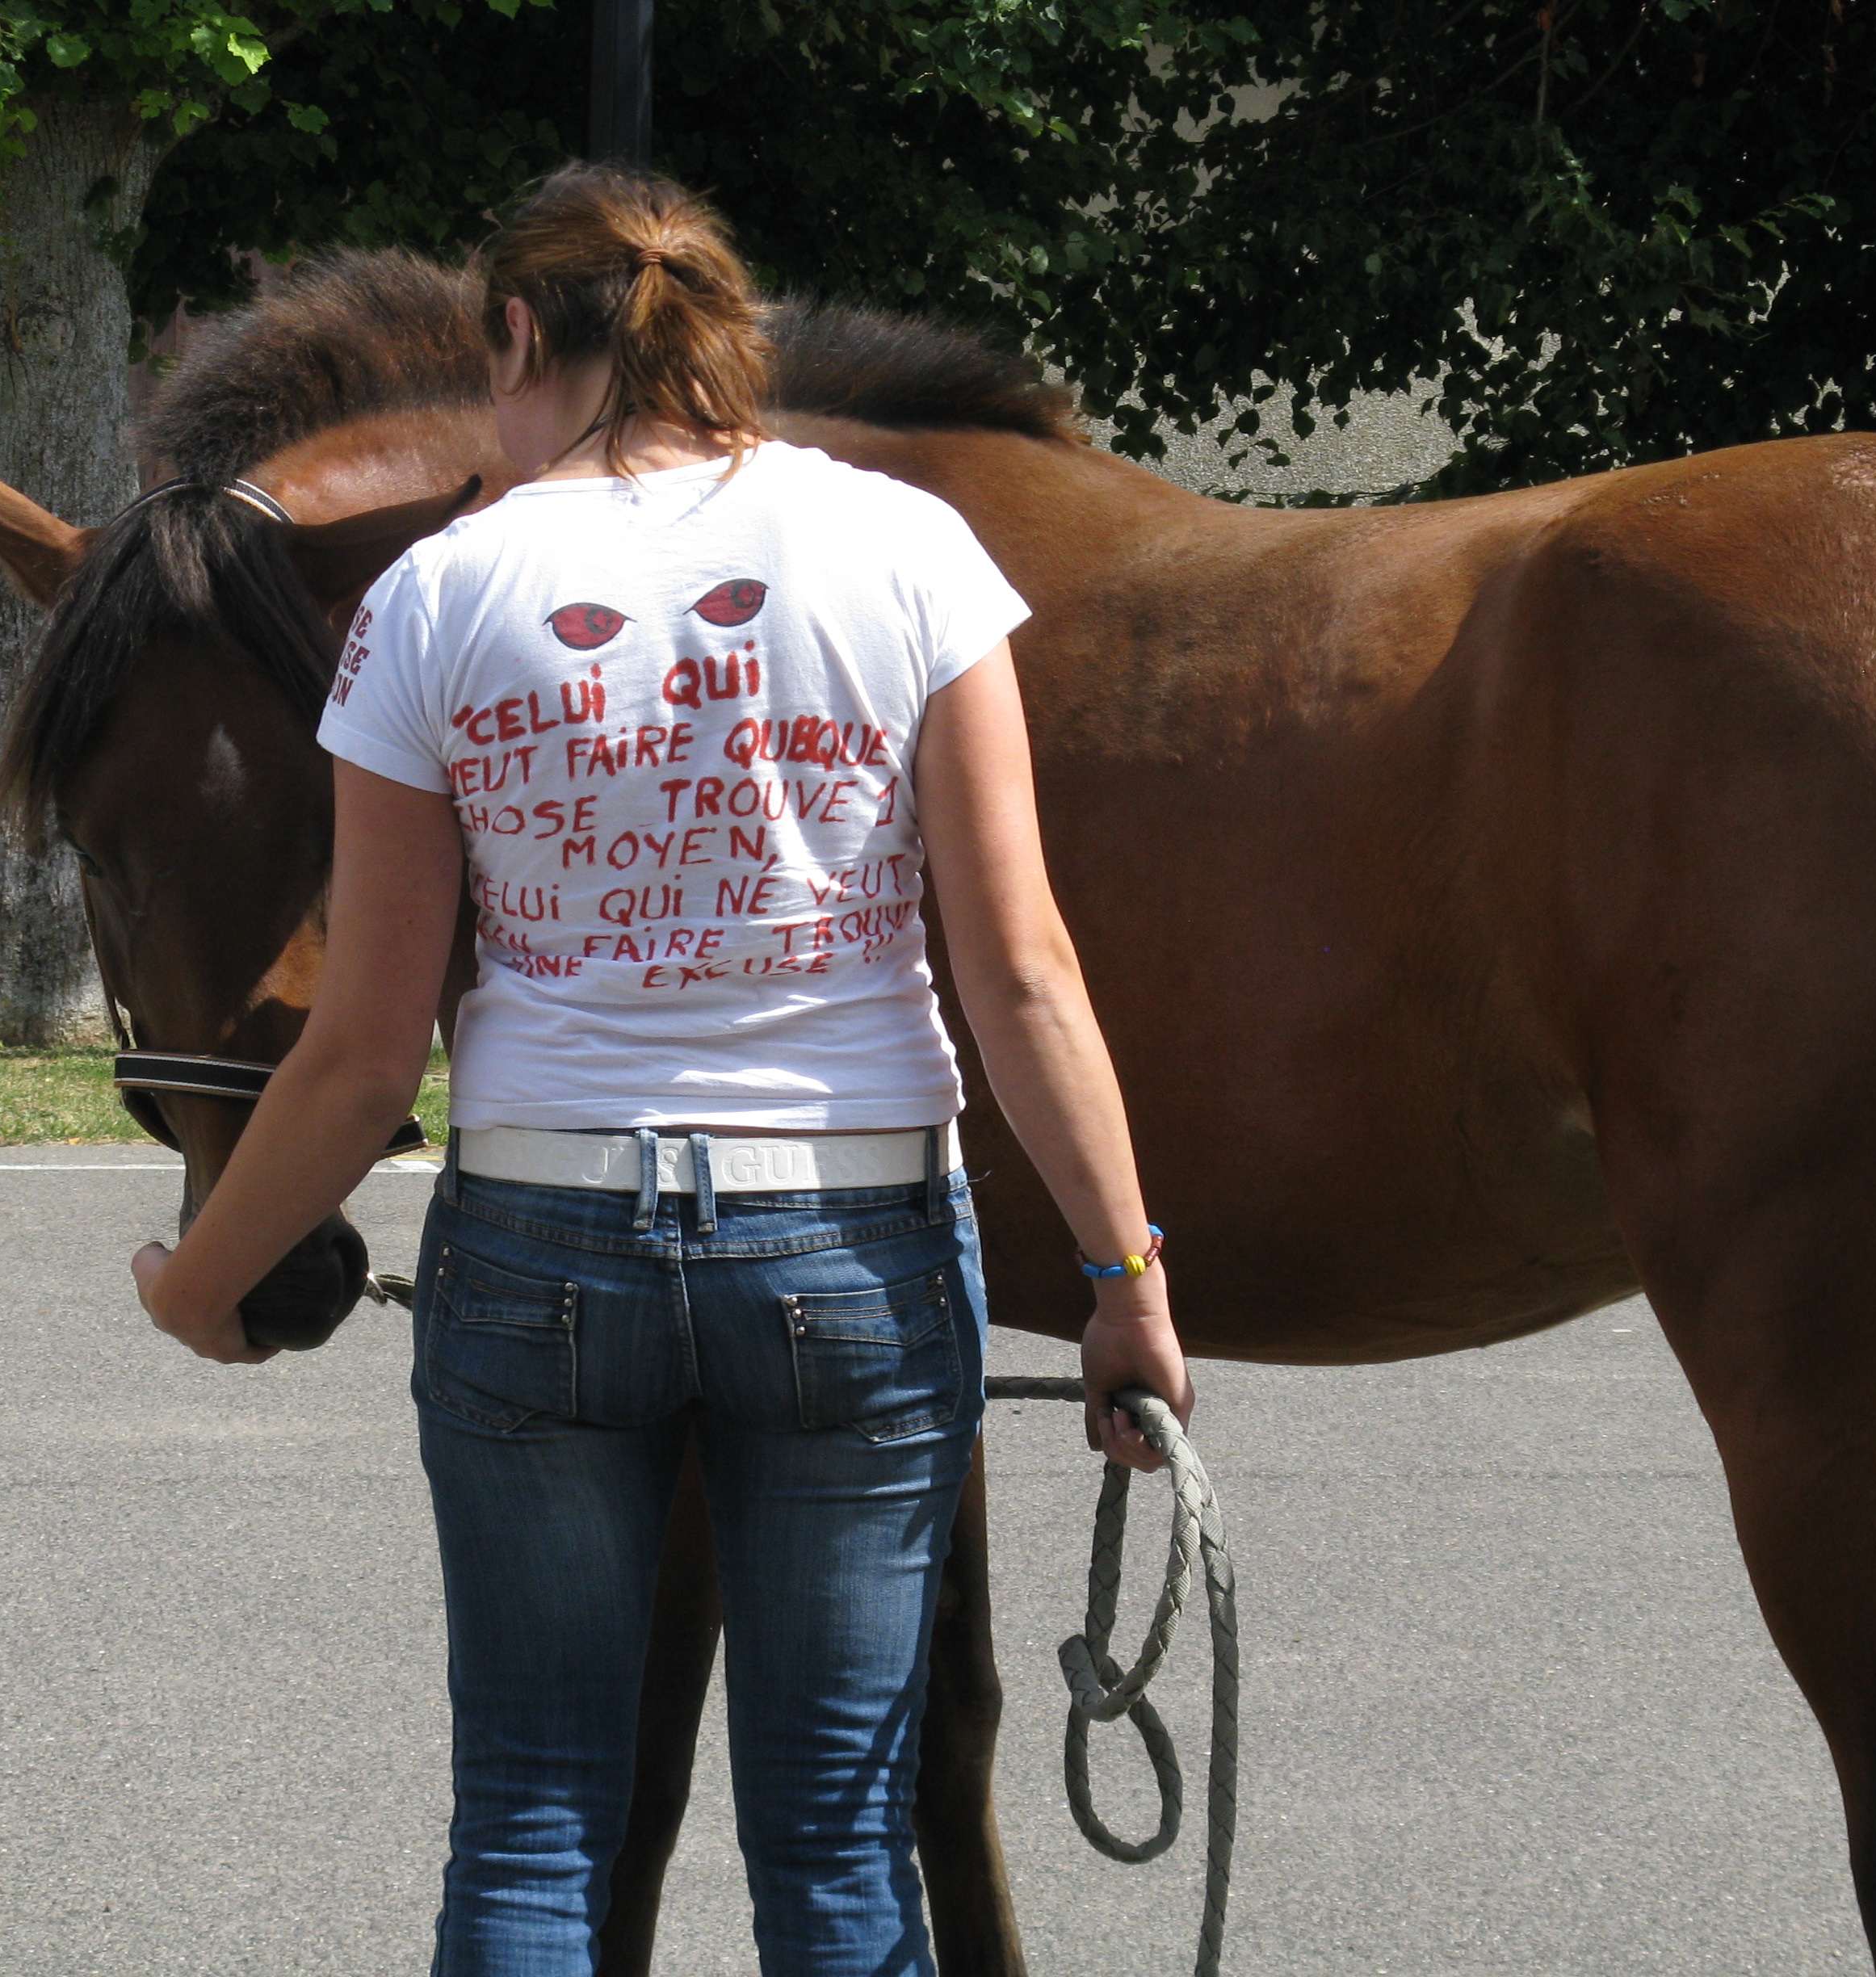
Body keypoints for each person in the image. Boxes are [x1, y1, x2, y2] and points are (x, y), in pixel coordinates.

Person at [129, 162, 1190, 1977]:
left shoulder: (440, 595)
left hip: (546, 1239)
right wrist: (1122, 1281)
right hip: (846, 1242)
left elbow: (369, 1049)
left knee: (535, 1825)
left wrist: (202, 1278)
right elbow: (1019, 972)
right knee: (844, 1846)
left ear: (521, 336)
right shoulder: (908, 549)